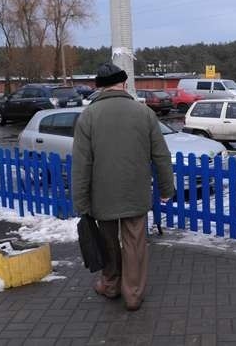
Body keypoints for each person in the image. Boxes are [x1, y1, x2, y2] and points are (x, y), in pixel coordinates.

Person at [72, 62, 175, 311]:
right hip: (135, 192)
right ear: (124, 84)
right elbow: (161, 155)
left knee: (108, 241)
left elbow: (81, 164)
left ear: (99, 87)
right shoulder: (144, 113)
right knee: (135, 243)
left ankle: (110, 285)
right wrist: (166, 188)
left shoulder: (88, 116)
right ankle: (133, 295)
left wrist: (81, 201)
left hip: (102, 195)